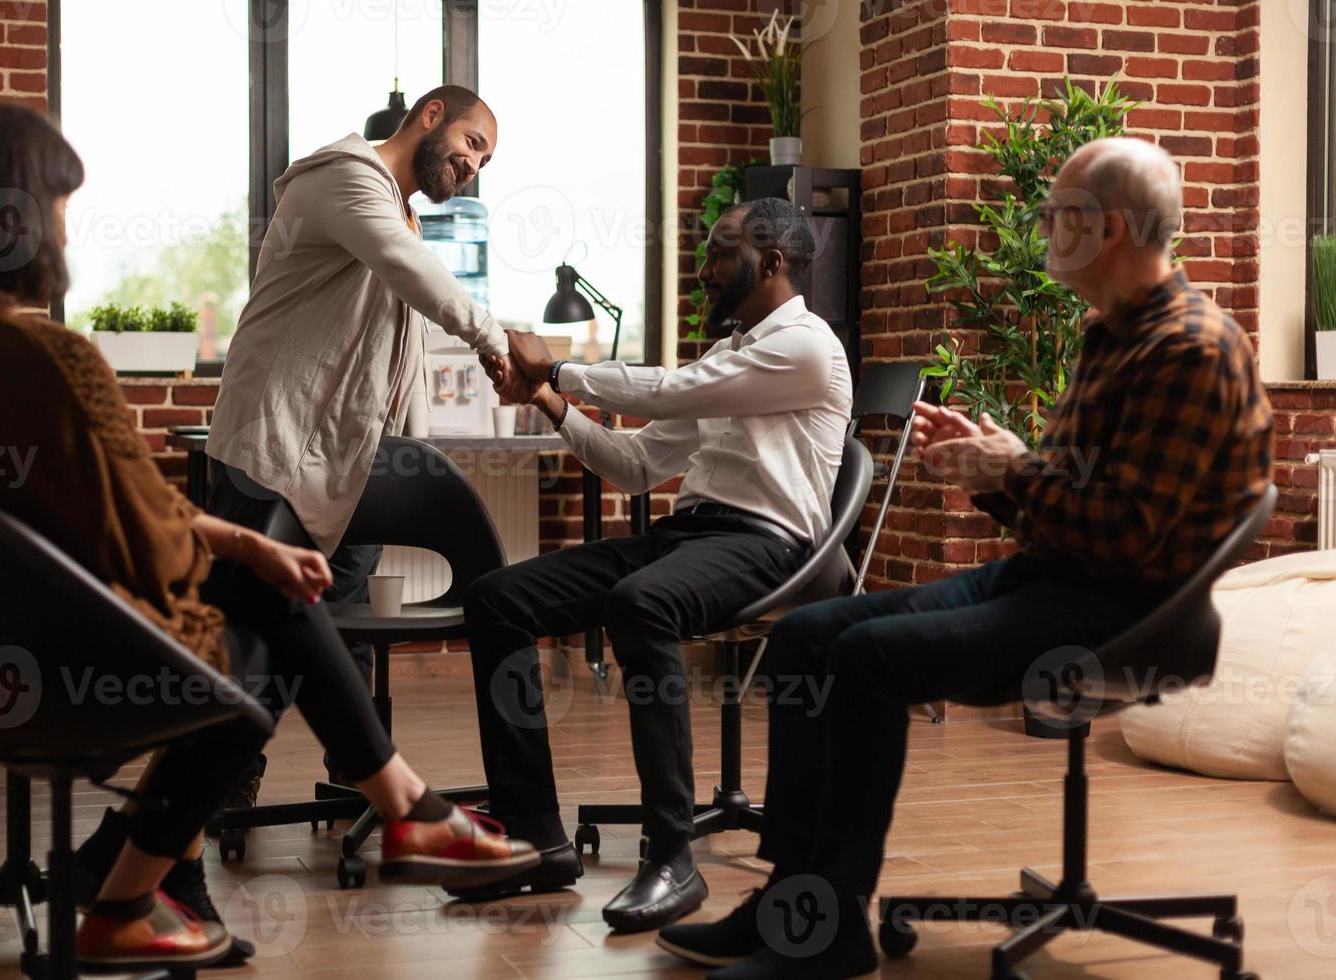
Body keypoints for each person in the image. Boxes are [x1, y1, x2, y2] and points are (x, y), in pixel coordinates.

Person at [0, 104, 536, 972]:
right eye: (61, 204)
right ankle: (388, 812)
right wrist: (243, 559)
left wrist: (248, 546)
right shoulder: (52, 362)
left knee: (265, 595)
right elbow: (150, 546)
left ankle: (149, 883)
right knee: (260, 631)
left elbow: (83, 513)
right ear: (10, 220)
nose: (68, 226)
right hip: (55, 668)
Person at [657, 138, 1275, 978]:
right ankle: (788, 906)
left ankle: (828, 934)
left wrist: (1014, 471)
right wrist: (1000, 468)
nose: (1045, 225)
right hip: (1059, 578)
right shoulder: (1112, 336)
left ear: (1113, 227)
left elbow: (1127, 533)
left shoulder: (1190, 350)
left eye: (1059, 213)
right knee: (806, 635)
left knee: (868, 659)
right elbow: (1072, 508)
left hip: (1127, 611)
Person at [462, 198, 854, 933]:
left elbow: (677, 390)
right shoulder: (725, 354)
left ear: (771, 262)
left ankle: (673, 857)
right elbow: (638, 465)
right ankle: (535, 837)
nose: (704, 269)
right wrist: (548, 399)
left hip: (770, 544)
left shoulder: (807, 347)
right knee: (495, 600)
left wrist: (560, 368)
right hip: (689, 537)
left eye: (719, 251)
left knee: (642, 603)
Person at [205, 83, 506, 797]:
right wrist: (496, 341)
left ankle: (349, 773)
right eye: (471, 144)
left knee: (326, 632)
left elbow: (401, 359)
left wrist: (411, 457)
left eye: (484, 159)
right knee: (252, 638)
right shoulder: (346, 178)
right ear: (430, 116)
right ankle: (210, 788)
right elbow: (412, 275)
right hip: (274, 447)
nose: (473, 166)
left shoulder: (400, 214)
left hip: (351, 464)